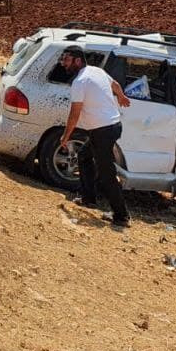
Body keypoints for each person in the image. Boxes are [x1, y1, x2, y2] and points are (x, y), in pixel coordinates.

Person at [58, 46, 132, 228]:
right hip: (112, 127)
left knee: (107, 174)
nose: (63, 63)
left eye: (66, 59)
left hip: (103, 131)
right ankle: (89, 198)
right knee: (84, 156)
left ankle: (122, 216)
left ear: (77, 60)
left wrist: (65, 137)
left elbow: (74, 114)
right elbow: (114, 84)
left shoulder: (80, 82)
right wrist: (121, 96)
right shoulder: (96, 71)